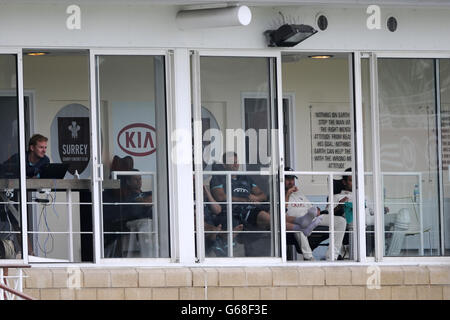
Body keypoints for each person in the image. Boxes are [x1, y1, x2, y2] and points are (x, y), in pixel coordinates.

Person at [210, 152, 322, 238]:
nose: (236, 164)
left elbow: (262, 195)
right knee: (265, 216)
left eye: (236, 161)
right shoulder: (218, 177)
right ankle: (301, 227)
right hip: (236, 212)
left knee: (274, 212)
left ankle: (301, 222)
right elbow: (220, 197)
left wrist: (256, 198)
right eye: (232, 162)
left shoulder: (245, 177)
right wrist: (244, 200)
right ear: (225, 165)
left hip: (253, 207)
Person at [284, 167, 347, 261]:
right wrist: (288, 194)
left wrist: (317, 210)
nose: (291, 182)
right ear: (282, 180)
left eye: (292, 179)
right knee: (300, 225)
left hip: (311, 219)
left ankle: (332, 256)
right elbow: (282, 212)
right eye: (288, 179)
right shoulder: (278, 194)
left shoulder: (298, 193)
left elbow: (310, 207)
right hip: (296, 220)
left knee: (340, 221)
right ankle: (309, 257)